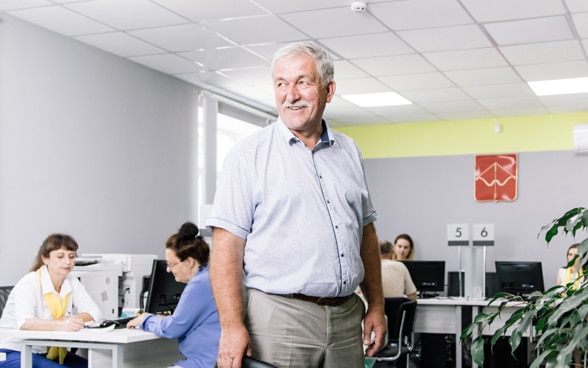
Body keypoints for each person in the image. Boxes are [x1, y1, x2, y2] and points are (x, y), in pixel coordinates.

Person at [206, 41, 386, 368]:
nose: (291, 95)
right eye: (281, 84)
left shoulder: (349, 152)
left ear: (328, 90)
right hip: (279, 318)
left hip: (347, 317)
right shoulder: (247, 156)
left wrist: (376, 305)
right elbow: (226, 248)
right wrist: (231, 327)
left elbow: (365, 233)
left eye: (303, 82)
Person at [0, 234, 102, 368]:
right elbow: (25, 322)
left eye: (71, 256)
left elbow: (95, 314)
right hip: (12, 350)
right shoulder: (30, 282)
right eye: (60, 257)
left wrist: (68, 319)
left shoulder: (71, 280)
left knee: (98, 365)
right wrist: (61, 324)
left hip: (43, 352)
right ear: (45, 259)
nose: (67, 262)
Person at [126, 222, 220, 368]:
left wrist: (145, 318)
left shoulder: (199, 285)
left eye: (172, 264)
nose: (169, 270)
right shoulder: (211, 275)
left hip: (203, 363)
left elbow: (172, 329)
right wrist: (168, 320)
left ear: (189, 261)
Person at [556, 243, 584, 367]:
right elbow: (556, 293)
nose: (571, 257)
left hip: (580, 312)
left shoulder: (585, 274)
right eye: (569, 254)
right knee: (564, 335)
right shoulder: (562, 271)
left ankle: (578, 364)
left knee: (577, 337)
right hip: (564, 310)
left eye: (575, 255)